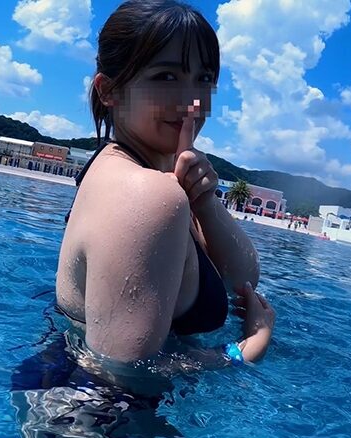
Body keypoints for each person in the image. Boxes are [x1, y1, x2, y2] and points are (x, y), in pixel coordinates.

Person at [57, 0, 275, 368]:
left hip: (61, 385)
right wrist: (245, 350)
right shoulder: (145, 194)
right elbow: (120, 374)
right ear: (109, 91)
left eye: (204, 79)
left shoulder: (130, 174)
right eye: (166, 77)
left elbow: (241, 282)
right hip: (83, 402)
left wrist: (204, 200)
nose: (192, 102)